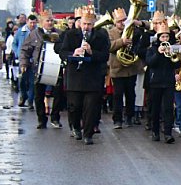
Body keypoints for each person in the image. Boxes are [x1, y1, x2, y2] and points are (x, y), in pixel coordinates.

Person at [57, 8, 110, 145]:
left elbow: (105, 56)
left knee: (90, 107)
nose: (86, 27)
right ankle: (75, 127)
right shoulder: (70, 35)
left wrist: (92, 52)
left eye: (89, 24)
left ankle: (88, 134)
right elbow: (62, 52)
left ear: (94, 24)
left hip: (92, 77)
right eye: (84, 24)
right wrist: (73, 53)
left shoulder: (101, 36)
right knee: (75, 106)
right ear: (80, 23)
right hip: (75, 76)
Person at [19, 12, 65, 128]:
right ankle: (41, 119)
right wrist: (24, 63)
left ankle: (55, 118)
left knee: (59, 95)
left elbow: (66, 49)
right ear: (41, 22)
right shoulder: (34, 34)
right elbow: (25, 50)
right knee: (38, 96)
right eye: (47, 21)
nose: (50, 23)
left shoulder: (60, 34)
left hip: (56, 69)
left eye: (51, 20)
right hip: (38, 68)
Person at [144, 21, 179, 143]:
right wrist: (159, 53)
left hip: (168, 82)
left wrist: (173, 55)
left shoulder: (173, 48)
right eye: (162, 36)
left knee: (168, 108)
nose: (165, 39)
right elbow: (150, 63)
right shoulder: (152, 49)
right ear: (158, 38)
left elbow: (177, 63)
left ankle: (168, 133)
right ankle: (155, 131)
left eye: (167, 36)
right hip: (155, 82)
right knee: (155, 108)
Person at [107, 8, 142, 129]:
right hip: (117, 68)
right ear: (115, 22)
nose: (122, 23)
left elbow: (147, 28)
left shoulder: (133, 30)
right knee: (117, 95)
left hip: (130, 68)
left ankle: (129, 116)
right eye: (119, 21)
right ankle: (117, 119)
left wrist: (139, 23)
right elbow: (109, 47)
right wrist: (121, 42)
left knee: (131, 94)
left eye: (124, 20)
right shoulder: (111, 32)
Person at [14, 14, 38, 108]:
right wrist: (17, 52)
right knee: (22, 80)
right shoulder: (21, 32)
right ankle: (23, 96)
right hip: (23, 59)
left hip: (33, 60)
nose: (32, 24)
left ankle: (30, 101)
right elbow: (14, 44)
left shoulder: (38, 32)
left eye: (34, 23)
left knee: (32, 82)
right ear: (27, 21)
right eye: (31, 22)